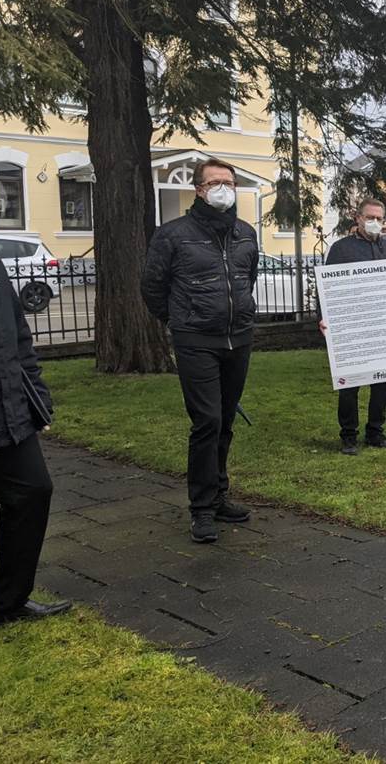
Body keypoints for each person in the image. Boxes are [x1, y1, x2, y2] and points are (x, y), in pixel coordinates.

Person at [0, 204, 72, 659]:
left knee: (33, 493)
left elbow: (17, 332)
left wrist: (36, 394)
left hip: (3, 415)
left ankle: (10, 604)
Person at [141, 159, 257, 543]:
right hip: (196, 341)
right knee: (206, 422)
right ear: (199, 189)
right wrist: (180, 320)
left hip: (237, 338)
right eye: (214, 182)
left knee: (225, 421)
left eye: (229, 181)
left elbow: (247, 278)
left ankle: (220, 495)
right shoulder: (173, 235)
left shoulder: (245, 234)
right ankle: (202, 508)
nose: (223, 188)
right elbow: (153, 287)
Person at [323, 198, 386, 455]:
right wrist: (324, 318)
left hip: (382, 327)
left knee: (383, 383)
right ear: (358, 218)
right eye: (370, 218)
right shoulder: (341, 249)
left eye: (380, 219)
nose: (375, 223)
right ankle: (348, 436)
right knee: (350, 385)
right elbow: (327, 287)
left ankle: (375, 433)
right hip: (352, 328)